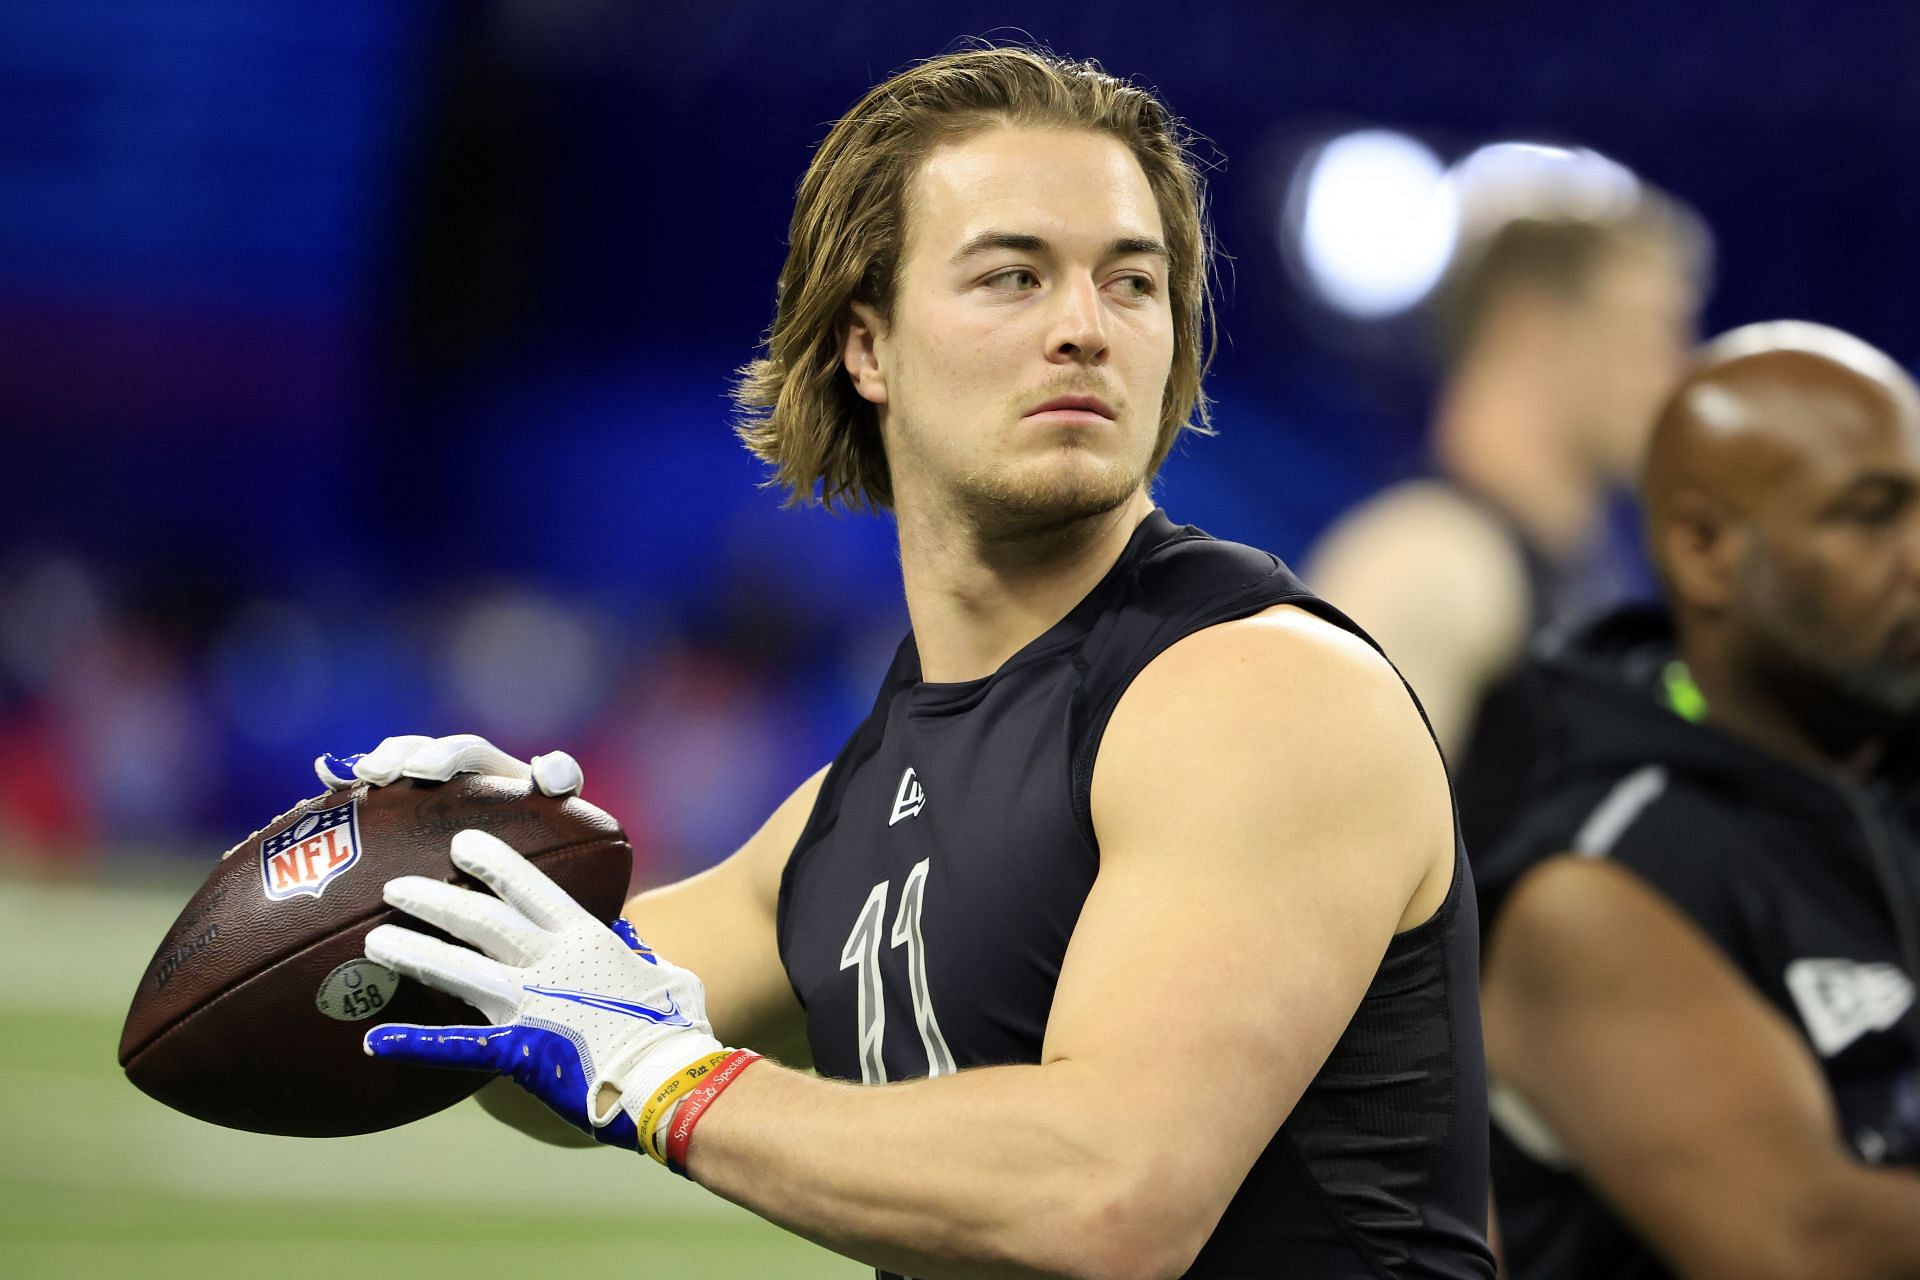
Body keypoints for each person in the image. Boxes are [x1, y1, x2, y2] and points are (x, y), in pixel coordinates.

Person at [322, 46, 1494, 1279]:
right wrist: (437, 870)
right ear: (865, 348)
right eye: (1013, 276)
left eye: (1132, 283)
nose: (1084, 329)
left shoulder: (1259, 691)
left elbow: (1109, 1198)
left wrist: (670, 1077)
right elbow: (553, 1038)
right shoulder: (858, 801)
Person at [1477, 320, 1920, 1279]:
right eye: (1871, 515)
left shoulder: (1892, 792)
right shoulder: (1592, 889)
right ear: (1704, 549)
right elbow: (1806, 1244)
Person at [1304, 189, 1708, 858]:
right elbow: (1314, 870)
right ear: (1532, 331)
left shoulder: (1586, 574)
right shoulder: (1429, 557)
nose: (1677, 375)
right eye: (1650, 335)